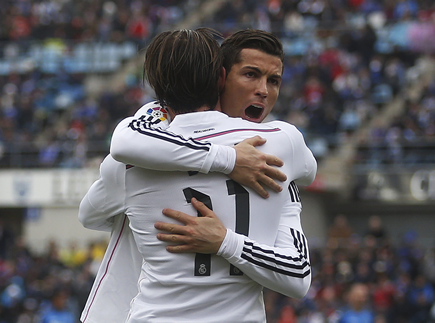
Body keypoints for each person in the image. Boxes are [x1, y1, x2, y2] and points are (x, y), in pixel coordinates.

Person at [79, 28, 316, 322]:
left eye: (274, 80)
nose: (263, 90)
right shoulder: (281, 145)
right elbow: (308, 171)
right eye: (251, 75)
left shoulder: (131, 160)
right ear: (221, 78)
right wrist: (229, 160)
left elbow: (89, 215)